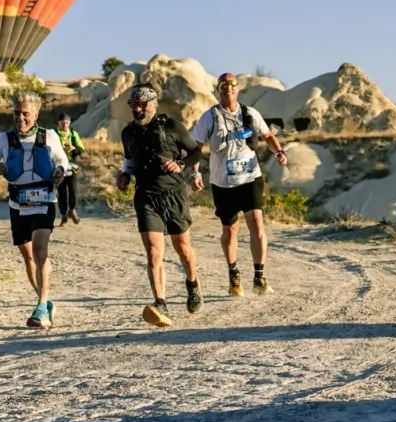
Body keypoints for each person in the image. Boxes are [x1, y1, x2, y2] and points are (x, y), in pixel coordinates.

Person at [190, 73, 289, 297]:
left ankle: (259, 277)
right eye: (223, 85)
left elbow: (268, 135)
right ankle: (233, 274)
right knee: (230, 229)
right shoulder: (209, 117)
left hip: (250, 177)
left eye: (232, 84)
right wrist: (195, 173)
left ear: (238, 89)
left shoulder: (250, 113)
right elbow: (196, 147)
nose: (228, 88)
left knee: (256, 223)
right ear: (218, 90)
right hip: (223, 182)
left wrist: (279, 152)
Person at [0, 91, 71, 329]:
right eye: (16, 113)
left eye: (25, 113)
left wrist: (60, 171)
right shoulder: (3, 139)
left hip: (44, 200)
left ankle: (40, 306)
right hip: (17, 203)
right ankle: (45, 301)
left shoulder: (49, 136)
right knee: (29, 256)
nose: (20, 118)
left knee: (40, 250)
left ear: (36, 115)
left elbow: (63, 161)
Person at [117, 84, 205, 328]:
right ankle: (161, 303)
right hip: (146, 196)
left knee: (182, 247)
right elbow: (128, 159)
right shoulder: (128, 133)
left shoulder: (172, 126)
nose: (137, 109)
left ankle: (192, 283)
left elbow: (196, 152)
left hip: (174, 195)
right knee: (154, 252)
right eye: (133, 105)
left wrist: (181, 165)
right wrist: (124, 175)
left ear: (153, 104)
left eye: (142, 104)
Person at [54, 112, 86, 226]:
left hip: (72, 166)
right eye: (62, 123)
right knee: (61, 191)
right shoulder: (53, 134)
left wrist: (73, 149)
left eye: (67, 123)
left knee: (73, 190)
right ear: (58, 123)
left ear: (70, 123)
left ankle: (72, 210)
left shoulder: (73, 134)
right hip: (58, 166)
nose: (64, 125)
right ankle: (63, 216)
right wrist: (60, 151)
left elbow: (81, 149)